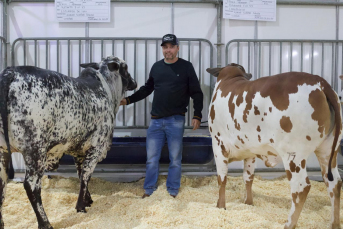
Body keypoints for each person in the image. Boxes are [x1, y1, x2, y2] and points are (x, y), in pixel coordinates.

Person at [120, 34, 203, 198]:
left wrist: (197, 115)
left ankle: (172, 190)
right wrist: (128, 100)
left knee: (175, 159)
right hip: (156, 121)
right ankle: (149, 190)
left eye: (171, 46)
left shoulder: (186, 67)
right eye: (165, 47)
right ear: (162, 49)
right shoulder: (156, 67)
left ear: (177, 48)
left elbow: (197, 93)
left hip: (176, 120)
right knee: (151, 158)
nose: (168, 50)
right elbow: (147, 89)